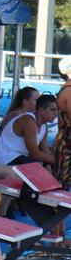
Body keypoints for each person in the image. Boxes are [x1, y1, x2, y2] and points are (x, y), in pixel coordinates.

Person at [0, 93, 57, 166]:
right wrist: (58, 162)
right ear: (41, 110)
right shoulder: (28, 121)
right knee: (43, 167)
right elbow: (34, 154)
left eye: (57, 110)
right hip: (7, 158)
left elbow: (45, 151)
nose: (56, 113)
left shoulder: (44, 125)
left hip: (21, 157)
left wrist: (60, 159)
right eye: (52, 110)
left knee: (48, 166)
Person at [54, 56, 71, 188]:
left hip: (64, 142)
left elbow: (61, 123)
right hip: (67, 146)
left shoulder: (65, 89)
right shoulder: (69, 91)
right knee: (61, 188)